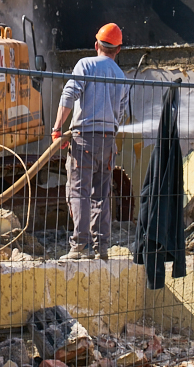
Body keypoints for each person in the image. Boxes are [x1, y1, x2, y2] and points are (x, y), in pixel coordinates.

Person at [51, 22, 130, 261]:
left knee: (78, 191)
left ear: (96, 45)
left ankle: (79, 246)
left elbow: (69, 95)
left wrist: (57, 128)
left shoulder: (85, 64)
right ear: (118, 50)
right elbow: (122, 114)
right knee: (101, 194)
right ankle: (101, 247)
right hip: (108, 142)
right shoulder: (121, 76)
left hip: (83, 138)